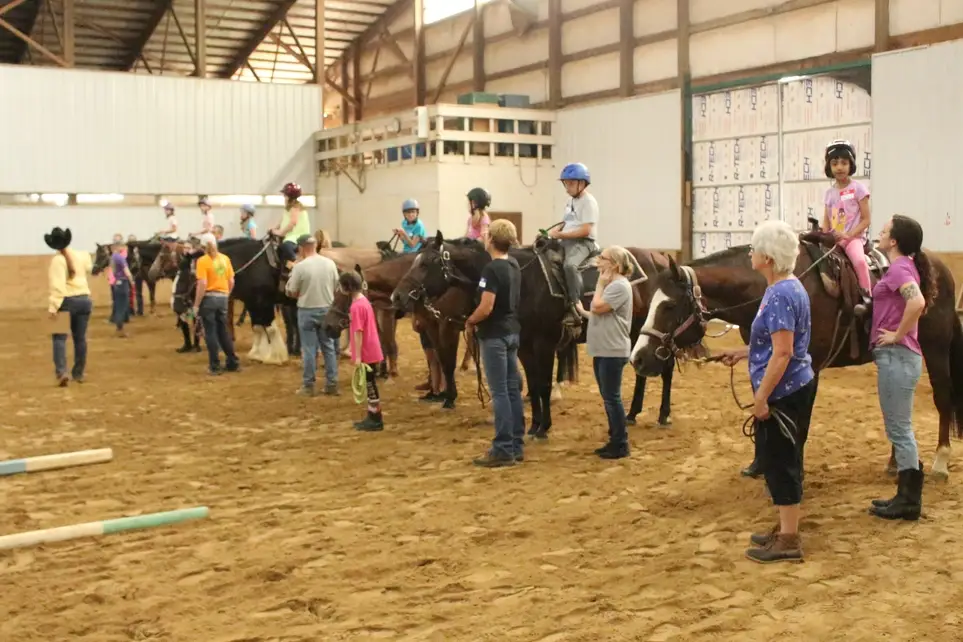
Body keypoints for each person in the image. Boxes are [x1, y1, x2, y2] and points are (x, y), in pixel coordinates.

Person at [717, 220, 817, 564]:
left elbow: (784, 352)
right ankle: (785, 528)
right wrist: (745, 352)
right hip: (796, 382)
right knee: (783, 458)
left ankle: (789, 539)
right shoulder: (789, 287)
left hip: (783, 390)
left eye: (754, 248)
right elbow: (781, 343)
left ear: (768, 258)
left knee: (781, 462)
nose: (750, 252)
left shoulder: (779, 295)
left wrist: (761, 398)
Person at [867, 215, 935, 521]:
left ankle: (909, 500)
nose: (880, 234)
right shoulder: (903, 266)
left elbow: (917, 302)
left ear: (893, 241)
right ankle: (905, 495)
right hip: (897, 358)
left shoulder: (899, 268)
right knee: (899, 428)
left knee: (900, 429)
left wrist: (897, 334)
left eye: (884, 232)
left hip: (898, 355)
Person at [466, 219, 524, 467]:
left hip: (494, 335)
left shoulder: (491, 270)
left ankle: (502, 448)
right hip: (511, 331)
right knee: (512, 390)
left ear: (491, 240)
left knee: (499, 391)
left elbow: (486, 306)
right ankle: (516, 443)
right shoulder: (514, 264)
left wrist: (470, 320)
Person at [575, 245, 635, 460]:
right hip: (604, 349)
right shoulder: (615, 285)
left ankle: (620, 443)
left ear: (615, 265)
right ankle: (615, 439)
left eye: (603, 258)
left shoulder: (618, 286)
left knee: (612, 398)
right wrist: (583, 311)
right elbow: (600, 314)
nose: (598, 261)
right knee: (608, 397)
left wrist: (599, 284)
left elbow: (598, 306)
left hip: (612, 350)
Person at [821, 139, 872, 314]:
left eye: (844, 162)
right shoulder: (829, 193)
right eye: (834, 163)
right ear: (829, 167)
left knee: (858, 261)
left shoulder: (859, 189)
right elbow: (826, 221)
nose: (839, 167)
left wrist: (849, 235)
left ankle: (867, 298)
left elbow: (866, 219)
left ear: (851, 165)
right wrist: (824, 235)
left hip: (853, 239)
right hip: (834, 240)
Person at [286, 234, 340, 396]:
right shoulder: (330, 264)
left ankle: (308, 385)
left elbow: (292, 291)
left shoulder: (300, 267)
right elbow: (336, 286)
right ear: (315, 245)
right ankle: (332, 383)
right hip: (326, 309)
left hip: (307, 310)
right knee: (328, 347)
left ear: (301, 248)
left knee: (309, 349)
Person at [549, 163, 599, 327]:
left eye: (570, 183)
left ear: (582, 183)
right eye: (566, 183)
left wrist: (561, 235)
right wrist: (550, 233)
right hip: (566, 240)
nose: (567, 187)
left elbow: (586, 230)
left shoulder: (589, 202)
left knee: (570, 266)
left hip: (584, 243)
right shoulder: (570, 201)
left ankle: (575, 306)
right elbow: (566, 222)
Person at [45, 227, 93, 387]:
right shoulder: (81, 255)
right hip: (84, 300)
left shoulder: (57, 260)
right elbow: (90, 267)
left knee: (59, 338)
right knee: (80, 339)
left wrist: (53, 308)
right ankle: (78, 373)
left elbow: (57, 287)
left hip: (66, 301)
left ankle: (62, 372)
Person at [341, 270, 385, 431]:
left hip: (366, 350)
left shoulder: (356, 306)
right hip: (372, 347)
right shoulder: (364, 301)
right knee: (370, 383)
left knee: (370, 383)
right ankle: (373, 415)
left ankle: (375, 418)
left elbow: (358, 331)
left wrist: (357, 355)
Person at [192, 233, 240, 375]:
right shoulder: (225, 259)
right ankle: (232, 362)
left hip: (208, 299)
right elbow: (231, 281)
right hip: (223, 298)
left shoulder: (202, 261)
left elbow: (202, 283)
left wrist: (196, 304)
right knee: (223, 331)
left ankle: (215, 365)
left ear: (202, 246)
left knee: (210, 332)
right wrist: (226, 295)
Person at [272, 182, 311, 269]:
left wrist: (281, 232)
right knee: (278, 250)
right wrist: (273, 229)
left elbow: (292, 223)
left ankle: (298, 265)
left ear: (289, 197)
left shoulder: (295, 207)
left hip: (298, 237)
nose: (284, 197)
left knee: (286, 246)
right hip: (291, 236)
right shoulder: (288, 208)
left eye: (285, 195)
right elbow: (282, 222)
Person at [110, 237, 135, 337]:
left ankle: (119, 327)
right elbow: (127, 271)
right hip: (123, 282)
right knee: (123, 306)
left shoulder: (113, 257)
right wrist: (131, 281)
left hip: (117, 282)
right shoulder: (120, 258)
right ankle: (120, 328)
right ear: (119, 246)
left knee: (119, 305)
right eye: (122, 246)